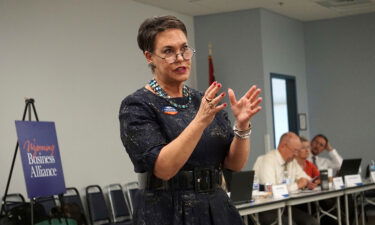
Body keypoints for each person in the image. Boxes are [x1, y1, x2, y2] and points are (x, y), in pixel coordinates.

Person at [119, 15, 262, 225]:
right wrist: (200, 121)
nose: (180, 57)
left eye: (184, 49)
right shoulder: (137, 105)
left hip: (216, 207)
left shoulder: (203, 100)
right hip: (166, 210)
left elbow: (234, 164)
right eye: (168, 51)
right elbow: (164, 168)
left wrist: (242, 126)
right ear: (149, 57)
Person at [254, 132, 318, 225]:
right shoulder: (268, 160)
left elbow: (305, 177)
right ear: (283, 146)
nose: (296, 154)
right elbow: (271, 191)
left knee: (311, 222)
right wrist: (297, 185)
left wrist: (309, 182)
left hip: (284, 206)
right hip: (265, 208)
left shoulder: (291, 161)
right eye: (295, 150)